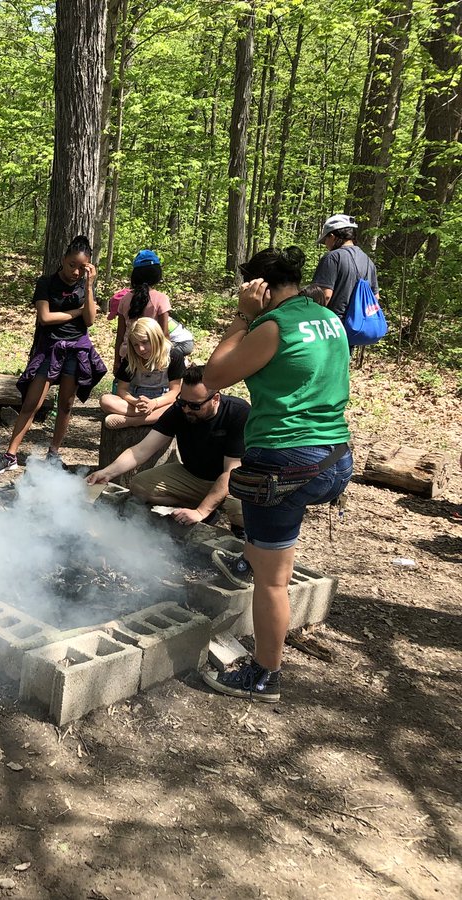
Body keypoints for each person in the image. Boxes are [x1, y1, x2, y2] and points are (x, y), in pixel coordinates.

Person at [201, 247, 352, 702]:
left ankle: (264, 674)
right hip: (334, 458)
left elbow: (213, 375)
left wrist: (241, 317)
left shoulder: (271, 325)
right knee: (268, 541)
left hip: (286, 462)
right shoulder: (327, 318)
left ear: (261, 287)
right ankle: (254, 555)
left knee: (273, 581)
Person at [0, 235, 106, 474]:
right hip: (50, 347)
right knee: (32, 402)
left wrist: (90, 285)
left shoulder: (85, 286)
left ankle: (54, 453)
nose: (75, 271)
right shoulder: (46, 282)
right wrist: (76, 312)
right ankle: (10, 455)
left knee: (66, 404)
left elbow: (90, 320)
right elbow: (45, 317)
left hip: (77, 348)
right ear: (63, 260)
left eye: (81, 268)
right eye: (72, 265)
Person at [87, 365, 248, 528]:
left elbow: (230, 472)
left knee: (241, 510)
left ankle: (234, 528)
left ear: (215, 399)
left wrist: (201, 511)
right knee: (140, 485)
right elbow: (141, 450)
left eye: (195, 406)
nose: (186, 409)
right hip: (192, 476)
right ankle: (204, 508)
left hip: (231, 482)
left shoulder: (237, 412)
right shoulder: (179, 410)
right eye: (183, 402)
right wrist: (106, 472)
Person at [98, 317, 184, 429]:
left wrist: (154, 403)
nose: (141, 349)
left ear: (156, 338)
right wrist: (134, 401)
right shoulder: (131, 358)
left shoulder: (173, 355)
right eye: (136, 345)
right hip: (136, 402)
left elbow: (175, 392)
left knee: (179, 406)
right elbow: (121, 389)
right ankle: (152, 417)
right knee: (106, 400)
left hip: (162, 400)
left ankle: (134, 421)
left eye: (145, 342)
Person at [111, 250, 194, 364]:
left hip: (129, 356)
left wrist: (116, 362)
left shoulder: (124, 299)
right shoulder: (161, 299)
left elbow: (120, 335)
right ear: (157, 274)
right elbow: (164, 335)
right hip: (153, 357)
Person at [305, 214, 378, 321]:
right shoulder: (368, 260)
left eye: (325, 240)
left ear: (333, 236)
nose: (325, 244)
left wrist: (310, 318)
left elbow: (325, 295)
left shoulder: (332, 257)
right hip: (361, 325)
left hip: (335, 325)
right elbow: (375, 297)